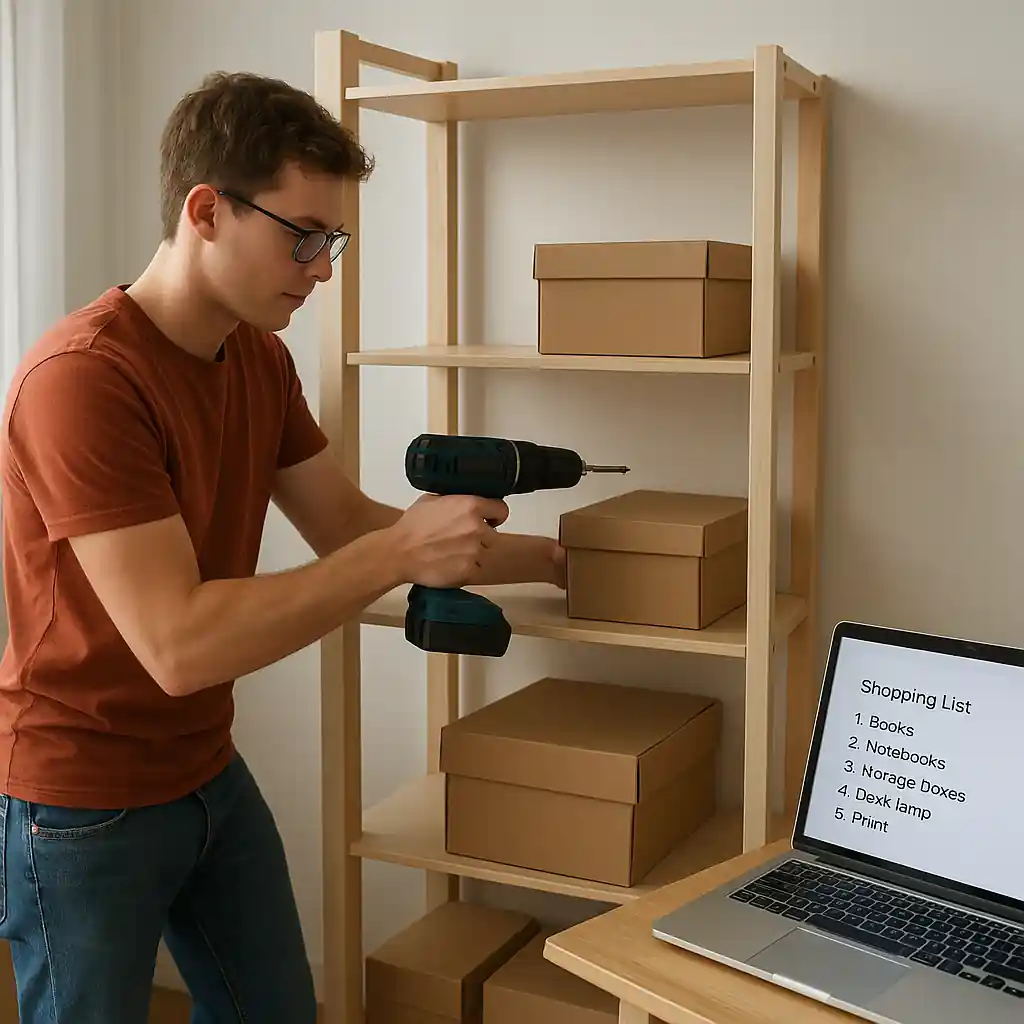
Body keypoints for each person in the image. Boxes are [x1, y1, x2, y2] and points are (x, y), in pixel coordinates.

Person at [0, 70, 565, 1024]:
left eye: (332, 241)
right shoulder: (83, 383)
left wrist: (560, 562)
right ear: (206, 210)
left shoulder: (259, 358)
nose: (323, 269)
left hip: (205, 771)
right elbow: (179, 645)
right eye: (303, 237)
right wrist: (394, 559)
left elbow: (348, 525)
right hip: (82, 803)